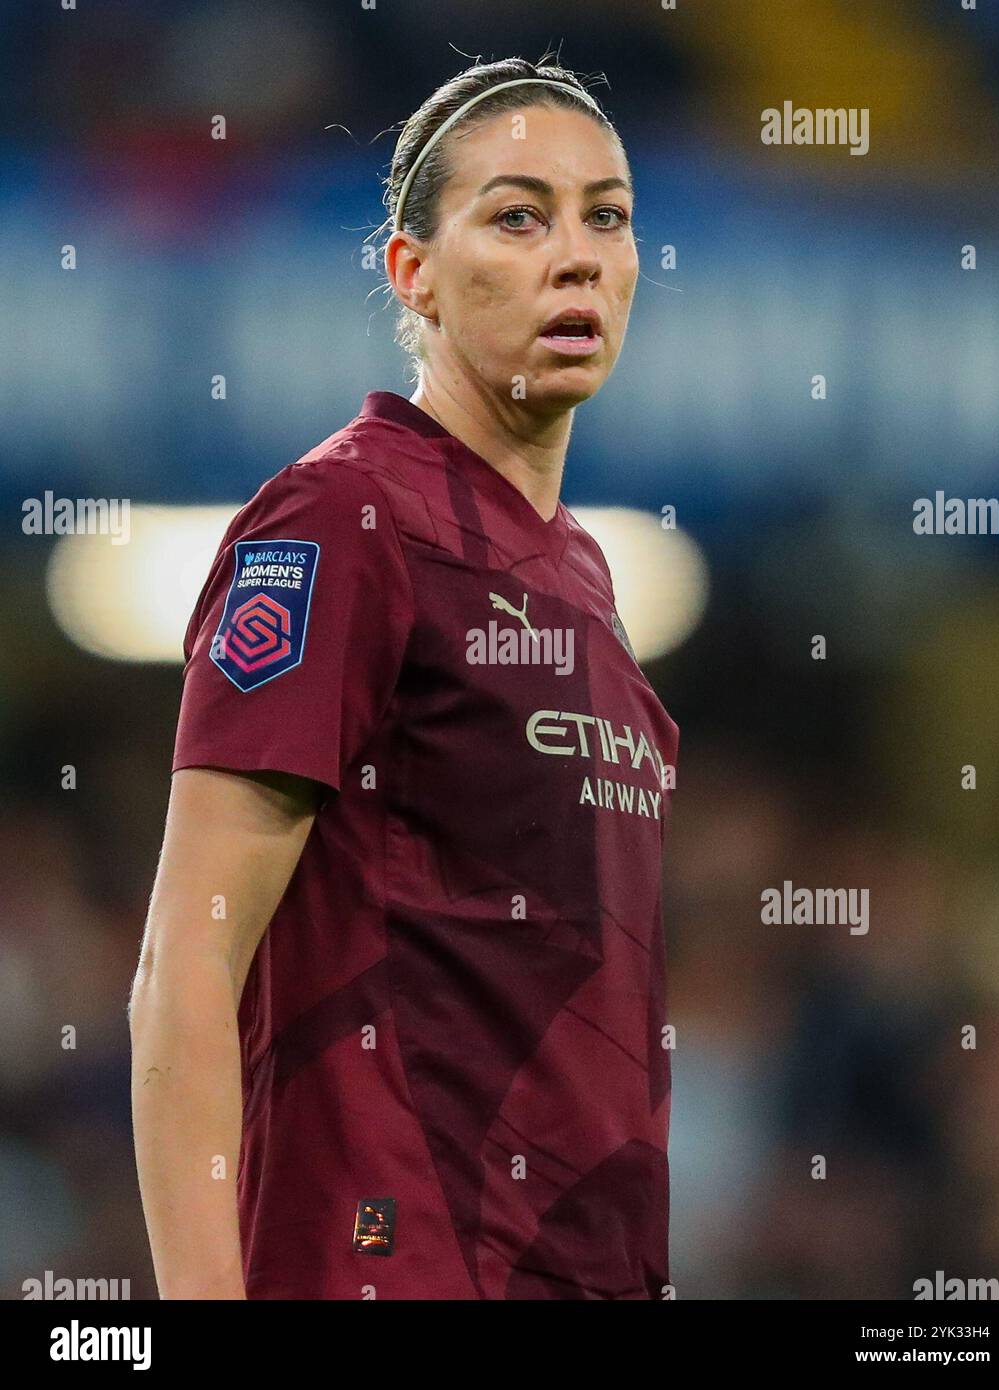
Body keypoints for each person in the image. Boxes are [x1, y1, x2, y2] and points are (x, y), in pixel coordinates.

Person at [130, 51, 679, 1301]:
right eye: (518, 216)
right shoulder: (341, 517)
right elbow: (186, 965)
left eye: (608, 214)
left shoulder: (585, 581)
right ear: (412, 273)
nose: (578, 253)